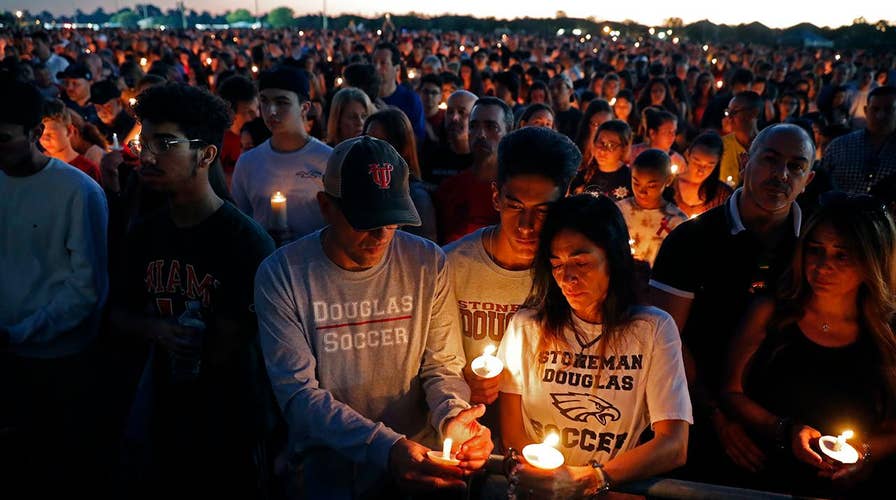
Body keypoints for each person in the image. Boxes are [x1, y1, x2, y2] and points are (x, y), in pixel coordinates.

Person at [254, 136, 493, 498]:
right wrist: (387, 448)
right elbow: (300, 396)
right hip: (330, 472)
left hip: (422, 461)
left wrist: (453, 417)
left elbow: (442, 365)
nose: (381, 234)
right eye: (365, 219)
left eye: (393, 220)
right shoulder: (283, 274)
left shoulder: (426, 262)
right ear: (326, 207)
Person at [107, 83, 277, 498]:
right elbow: (116, 313)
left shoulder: (245, 242)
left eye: (164, 144)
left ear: (206, 154)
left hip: (231, 421)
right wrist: (157, 330)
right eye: (144, 142)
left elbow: (250, 341)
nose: (146, 156)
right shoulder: (145, 233)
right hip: (164, 417)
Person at [649, 123, 816, 488]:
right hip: (697, 412)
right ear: (745, 162)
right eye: (770, 160)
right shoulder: (691, 240)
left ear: (809, 178)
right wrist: (716, 414)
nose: (781, 175)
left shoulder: (816, 247)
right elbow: (664, 336)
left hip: (791, 423)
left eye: (796, 166)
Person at [496, 193, 692, 498]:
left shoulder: (652, 329)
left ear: (612, 259)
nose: (567, 278)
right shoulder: (527, 327)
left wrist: (591, 479)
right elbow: (513, 433)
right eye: (557, 264)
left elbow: (674, 444)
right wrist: (540, 479)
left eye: (581, 262)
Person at [721, 192, 896, 498]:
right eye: (815, 250)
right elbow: (730, 391)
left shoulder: (886, 334)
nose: (823, 266)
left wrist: (865, 455)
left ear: (871, 260)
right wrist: (785, 430)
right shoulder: (771, 313)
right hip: (763, 480)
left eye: (842, 255)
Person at [0, 78, 109, 496]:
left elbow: (86, 289)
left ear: (34, 133)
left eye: (4, 138)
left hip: (58, 360)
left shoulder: (77, 191)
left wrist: (21, 333)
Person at [444, 126, 580, 448]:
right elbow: (429, 359)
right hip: (467, 433)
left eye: (543, 211)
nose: (526, 226)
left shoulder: (572, 276)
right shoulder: (450, 266)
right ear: (496, 197)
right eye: (515, 206)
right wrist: (458, 383)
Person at [231, 65, 333, 244]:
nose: (271, 111)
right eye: (264, 101)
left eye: (281, 102)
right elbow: (240, 223)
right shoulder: (248, 163)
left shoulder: (328, 160)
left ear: (304, 108)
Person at [434, 97, 511, 244]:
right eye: (474, 126)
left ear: (508, 132)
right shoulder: (449, 189)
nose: (481, 134)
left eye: (491, 127)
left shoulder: (516, 192)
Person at [363, 106, 438, 242]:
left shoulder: (416, 199)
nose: (370, 148)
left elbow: (423, 254)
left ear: (400, 148)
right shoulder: (361, 189)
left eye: (380, 143)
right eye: (367, 140)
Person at [820, 86, 896, 194]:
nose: (880, 115)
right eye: (875, 109)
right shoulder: (840, 146)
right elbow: (821, 182)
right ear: (866, 111)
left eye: (888, 110)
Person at [619, 149, 688, 268]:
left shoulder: (676, 222)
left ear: (668, 180)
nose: (642, 191)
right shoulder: (618, 211)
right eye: (636, 183)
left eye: (651, 186)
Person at [669, 130, 734, 218]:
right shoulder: (669, 184)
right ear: (687, 155)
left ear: (717, 163)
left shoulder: (723, 195)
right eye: (696, 162)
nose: (701, 170)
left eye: (709, 165)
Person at [39, 99, 103, 184]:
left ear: (69, 131)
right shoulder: (39, 167)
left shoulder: (87, 170)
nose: (45, 139)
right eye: (40, 134)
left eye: (50, 134)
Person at [373, 42, 426, 142]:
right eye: (374, 62)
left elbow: (417, 139)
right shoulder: (367, 98)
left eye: (383, 63)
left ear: (397, 69)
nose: (377, 67)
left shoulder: (411, 100)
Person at [569, 119, 633, 200]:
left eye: (611, 145)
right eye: (601, 143)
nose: (603, 150)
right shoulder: (583, 176)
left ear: (623, 149)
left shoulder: (630, 179)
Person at [422, 90, 476, 185]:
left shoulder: (480, 162)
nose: (454, 117)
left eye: (461, 112)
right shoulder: (431, 156)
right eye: (450, 112)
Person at [217, 74, 260, 185]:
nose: (257, 115)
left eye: (257, 108)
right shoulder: (217, 141)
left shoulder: (263, 136)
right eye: (249, 112)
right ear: (231, 114)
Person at [719, 91, 763, 187]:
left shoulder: (766, 145)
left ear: (754, 113)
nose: (729, 117)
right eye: (728, 112)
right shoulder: (721, 145)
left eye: (734, 112)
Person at [91, 79, 138, 147]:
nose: (102, 112)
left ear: (118, 102)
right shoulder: (94, 128)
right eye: (98, 108)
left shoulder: (133, 126)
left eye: (107, 106)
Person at [574, 99, 613, 169]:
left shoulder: (610, 155)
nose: (601, 130)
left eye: (606, 125)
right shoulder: (575, 150)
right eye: (596, 124)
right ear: (587, 124)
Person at [549, 74, 582, 140]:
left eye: (559, 87)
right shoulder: (546, 115)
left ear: (570, 91)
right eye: (551, 88)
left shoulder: (580, 118)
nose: (554, 91)